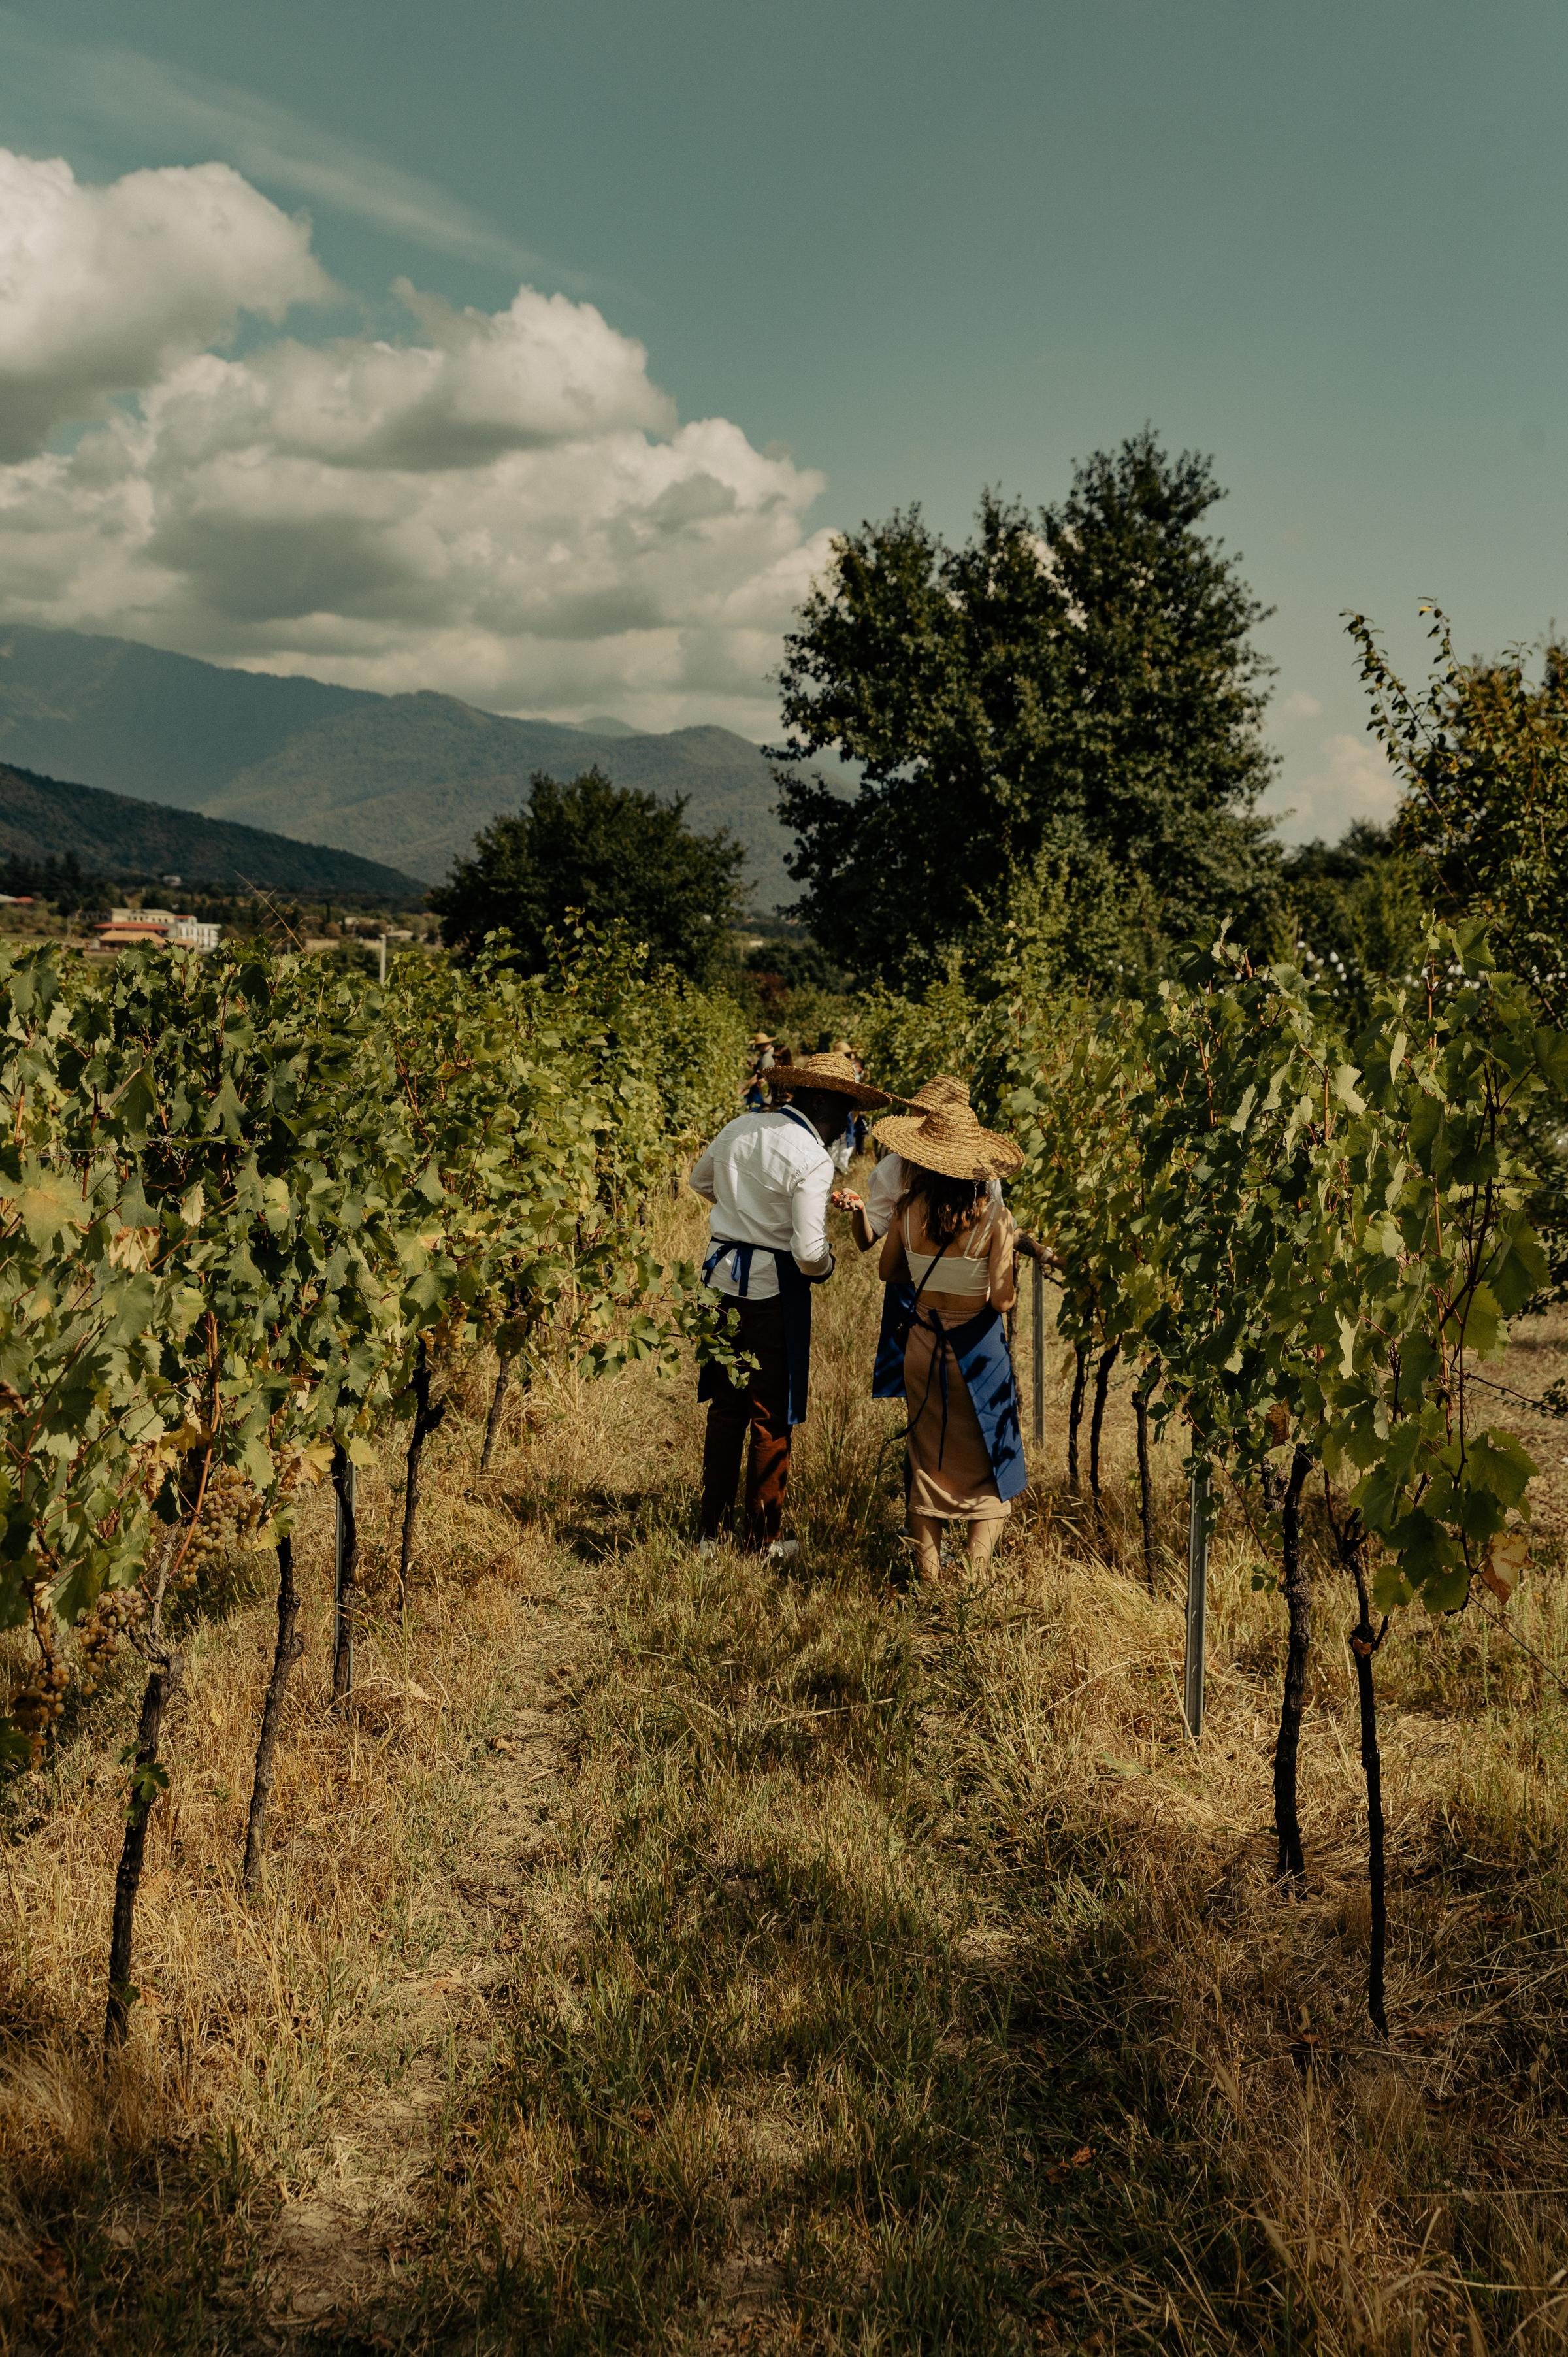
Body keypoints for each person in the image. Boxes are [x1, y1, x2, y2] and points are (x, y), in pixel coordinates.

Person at [691, 1049, 891, 1557]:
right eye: (844, 1112)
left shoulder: (740, 1126)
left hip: (719, 1279)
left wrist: (744, 1215)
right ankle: (760, 1540)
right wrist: (826, 1267)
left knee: (725, 1406)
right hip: (770, 1291)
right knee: (770, 1412)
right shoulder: (811, 1157)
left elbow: (700, 1181)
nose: (847, 1126)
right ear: (821, 1099)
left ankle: (708, 1532)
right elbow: (806, 1253)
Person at [872, 1092, 1026, 1585]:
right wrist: (1012, 1260)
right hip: (977, 1352)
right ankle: (976, 1578)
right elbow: (1002, 1300)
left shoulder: (909, 1208)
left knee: (926, 1458)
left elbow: (889, 1270)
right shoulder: (994, 1218)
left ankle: (930, 1578)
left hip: (921, 1344)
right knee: (990, 1459)